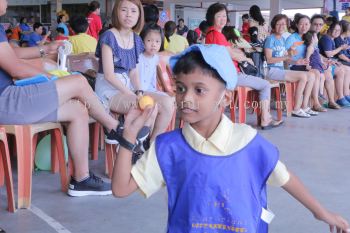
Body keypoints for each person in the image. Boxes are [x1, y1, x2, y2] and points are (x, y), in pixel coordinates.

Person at [111, 44, 350, 233]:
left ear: (225, 99)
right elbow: (121, 189)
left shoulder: (247, 140)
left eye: (199, 90)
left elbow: (284, 177)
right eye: (180, 88)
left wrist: (321, 212)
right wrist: (128, 136)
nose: (186, 98)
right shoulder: (168, 147)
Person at [0, 0, 150, 197]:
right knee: (78, 82)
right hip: (6, 100)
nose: (7, 1)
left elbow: (14, 53)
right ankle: (114, 128)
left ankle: (81, 179)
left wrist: (47, 48)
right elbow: (16, 68)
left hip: (10, 98)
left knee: (78, 109)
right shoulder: (108, 37)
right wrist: (51, 78)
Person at [95, 0, 173, 154]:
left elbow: (133, 72)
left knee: (166, 102)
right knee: (147, 106)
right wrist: (132, 94)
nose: (129, 14)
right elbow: (109, 75)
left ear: (139, 15)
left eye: (133, 11)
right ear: (116, 12)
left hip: (128, 86)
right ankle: (127, 143)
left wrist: (139, 91)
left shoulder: (136, 40)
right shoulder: (108, 36)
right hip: (109, 88)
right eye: (124, 10)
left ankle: (150, 145)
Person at [205, 2, 282, 129]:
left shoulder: (213, 34)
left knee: (260, 81)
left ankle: (264, 116)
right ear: (211, 18)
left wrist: (239, 54)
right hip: (230, 75)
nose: (223, 19)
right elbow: (231, 53)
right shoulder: (216, 34)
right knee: (265, 84)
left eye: (224, 16)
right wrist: (245, 58)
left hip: (225, 74)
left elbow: (231, 50)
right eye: (219, 16)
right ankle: (265, 119)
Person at [264, 14, 316, 118]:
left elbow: (286, 59)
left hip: (280, 70)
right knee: (303, 76)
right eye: (278, 24)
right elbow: (269, 59)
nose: (281, 26)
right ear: (274, 25)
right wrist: (286, 57)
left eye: (284, 24)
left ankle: (304, 106)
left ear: (287, 26)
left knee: (311, 76)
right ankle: (296, 109)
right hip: (271, 70)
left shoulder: (282, 40)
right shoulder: (270, 39)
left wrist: (296, 62)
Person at [285, 14, 326, 113]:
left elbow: (314, 52)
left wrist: (323, 60)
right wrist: (296, 62)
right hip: (293, 66)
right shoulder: (292, 38)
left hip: (303, 65)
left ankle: (306, 105)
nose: (304, 27)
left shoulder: (308, 37)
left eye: (306, 24)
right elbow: (285, 58)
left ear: (309, 25)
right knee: (315, 73)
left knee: (316, 72)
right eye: (301, 24)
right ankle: (313, 103)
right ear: (297, 25)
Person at [311, 14, 343, 109]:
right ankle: (325, 100)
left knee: (341, 70)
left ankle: (335, 99)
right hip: (311, 64)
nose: (318, 27)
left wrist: (326, 60)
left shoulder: (316, 36)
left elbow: (317, 53)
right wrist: (325, 60)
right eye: (315, 24)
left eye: (320, 25)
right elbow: (325, 53)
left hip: (318, 62)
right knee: (328, 73)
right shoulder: (323, 38)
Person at [303, 30, 341, 109]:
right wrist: (307, 65)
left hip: (319, 66)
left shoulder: (315, 47)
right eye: (316, 37)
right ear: (312, 39)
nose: (317, 38)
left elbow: (319, 57)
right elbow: (307, 58)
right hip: (314, 66)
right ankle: (319, 95)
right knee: (320, 76)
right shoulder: (310, 47)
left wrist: (324, 62)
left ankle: (320, 93)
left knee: (322, 77)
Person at [318, 21, 350, 106]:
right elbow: (329, 54)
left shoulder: (331, 39)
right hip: (323, 64)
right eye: (335, 30)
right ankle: (340, 97)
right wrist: (341, 48)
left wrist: (335, 61)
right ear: (330, 29)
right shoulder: (326, 38)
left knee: (345, 70)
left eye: (338, 30)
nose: (336, 32)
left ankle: (345, 95)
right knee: (342, 70)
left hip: (329, 62)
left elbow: (330, 56)